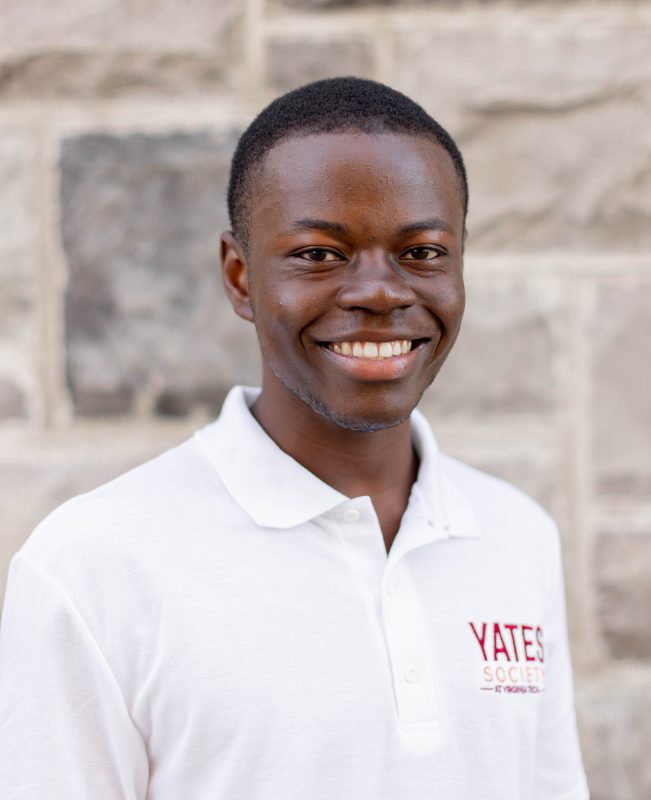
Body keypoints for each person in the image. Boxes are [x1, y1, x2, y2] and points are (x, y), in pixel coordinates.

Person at [0, 77, 589, 799]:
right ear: (240, 276)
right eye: (319, 254)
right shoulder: (93, 565)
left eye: (424, 252)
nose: (379, 292)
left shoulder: (515, 536)